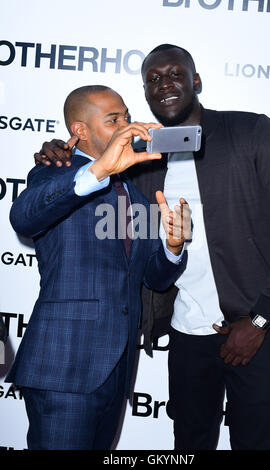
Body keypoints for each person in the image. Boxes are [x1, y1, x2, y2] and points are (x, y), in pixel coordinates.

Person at [34, 44, 270, 450]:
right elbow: (111, 214)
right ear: (145, 93)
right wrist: (64, 155)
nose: (164, 84)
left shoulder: (249, 131)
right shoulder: (137, 159)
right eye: (153, 79)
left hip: (256, 331)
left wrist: (262, 318)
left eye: (175, 73)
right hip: (186, 335)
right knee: (187, 446)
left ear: (196, 81)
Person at [5, 84, 190, 450]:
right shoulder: (54, 173)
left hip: (116, 372)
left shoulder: (134, 194)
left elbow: (153, 277)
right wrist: (98, 171)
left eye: (126, 116)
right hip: (64, 368)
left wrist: (172, 246)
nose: (126, 127)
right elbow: (24, 217)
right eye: (113, 120)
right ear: (80, 130)